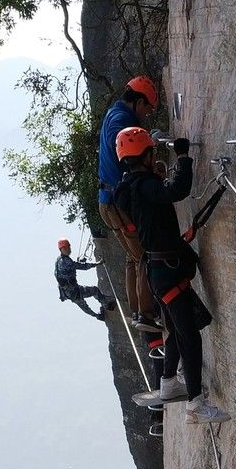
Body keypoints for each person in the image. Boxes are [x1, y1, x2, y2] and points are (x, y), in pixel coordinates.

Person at [114, 127, 231, 425]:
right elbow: (176, 190)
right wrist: (183, 156)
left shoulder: (128, 188)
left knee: (182, 329)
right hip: (166, 272)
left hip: (159, 270)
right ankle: (195, 404)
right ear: (146, 154)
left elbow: (156, 215)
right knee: (189, 334)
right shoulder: (144, 186)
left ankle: (169, 382)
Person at [97, 76, 160, 333]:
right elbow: (119, 144)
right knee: (143, 254)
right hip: (117, 203)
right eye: (147, 107)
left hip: (109, 202)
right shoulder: (121, 120)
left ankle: (137, 310)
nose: (146, 113)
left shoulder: (115, 113)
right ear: (138, 101)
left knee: (133, 258)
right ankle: (145, 314)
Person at [54, 239, 113, 320]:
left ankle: (98, 316)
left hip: (68, 291)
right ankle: (107, 305)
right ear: (61, 250)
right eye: (65, 248)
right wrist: (98, 263)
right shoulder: (65, 261)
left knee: (83, 305)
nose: (68, 249)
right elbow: (82, 267)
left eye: (68, 247)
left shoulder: (59, 260)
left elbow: (69, 269)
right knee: (94, 291)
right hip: (73, 291)